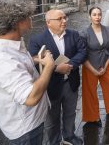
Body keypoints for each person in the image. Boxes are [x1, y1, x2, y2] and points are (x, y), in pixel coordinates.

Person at [0, 0, 55, 144]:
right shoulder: (1, 59)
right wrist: (49, 66)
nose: (31, 19)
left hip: (33, 122)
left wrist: (36, 59)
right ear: (17, 22)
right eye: (28, 17)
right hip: (26, 130)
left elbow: (18, 66)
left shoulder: (13, 43)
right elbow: (31, 98)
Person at [29, 10, 86, 145]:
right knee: (52, 118)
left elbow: (82, 51)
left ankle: (69, 136)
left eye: (64, 17)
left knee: (70, 113)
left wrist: (70, 65)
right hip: (51, 86)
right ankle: (54, 141)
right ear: (48, 23)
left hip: (70, 83)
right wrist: (55, 68)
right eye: (59, 19)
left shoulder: (74, 34)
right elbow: (33, 61)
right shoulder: (37, 40)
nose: (64, 21)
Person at [81, 7, 109, 127]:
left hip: (105, 63)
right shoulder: (84, 33)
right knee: (90, 92)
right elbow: (82, 55)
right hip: (90, 66)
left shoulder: (108, 31)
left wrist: (106, 66)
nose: (97, 17)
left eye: (99, 14)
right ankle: (93, 118)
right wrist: (94, 70)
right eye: (94, 14)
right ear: (89, 16)